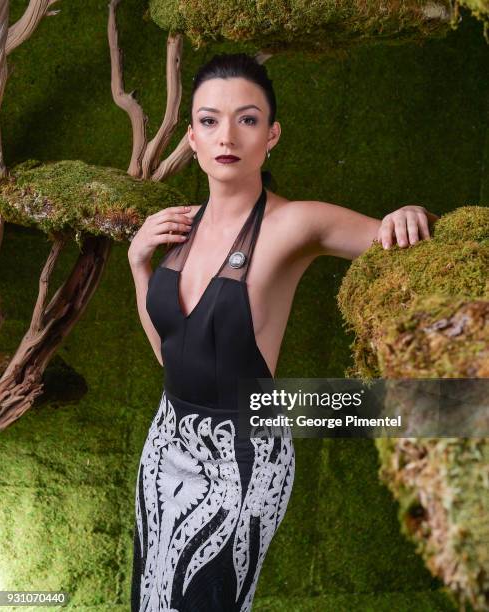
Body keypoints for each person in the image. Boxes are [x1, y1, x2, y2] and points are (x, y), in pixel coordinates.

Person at [127, 52, 438, 611]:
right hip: (165, 445)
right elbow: (169, 359)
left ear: (271, 135)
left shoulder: (294, 222)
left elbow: (401, 241)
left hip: (243, 457)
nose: (227, 135)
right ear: (193, 138)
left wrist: (410, 212)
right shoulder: (177, 229)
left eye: (246, 119)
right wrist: (138, 264)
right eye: (208, 120)